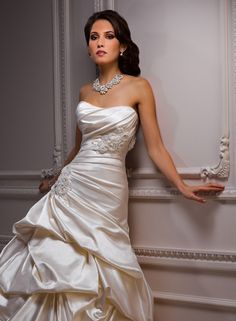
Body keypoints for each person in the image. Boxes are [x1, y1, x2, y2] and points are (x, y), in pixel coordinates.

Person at [0, 9, 224, 321]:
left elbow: (156, 147)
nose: (100, 42)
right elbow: (78, 149)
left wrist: (182, 185)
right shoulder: (84, 92)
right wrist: (55, 178)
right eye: (94, 37)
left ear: (123, 46)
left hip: (108, 188)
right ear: (89, 47)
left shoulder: (138, 86)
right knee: (59, 263)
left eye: (109, 36)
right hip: (73, 187)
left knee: (104, 262)